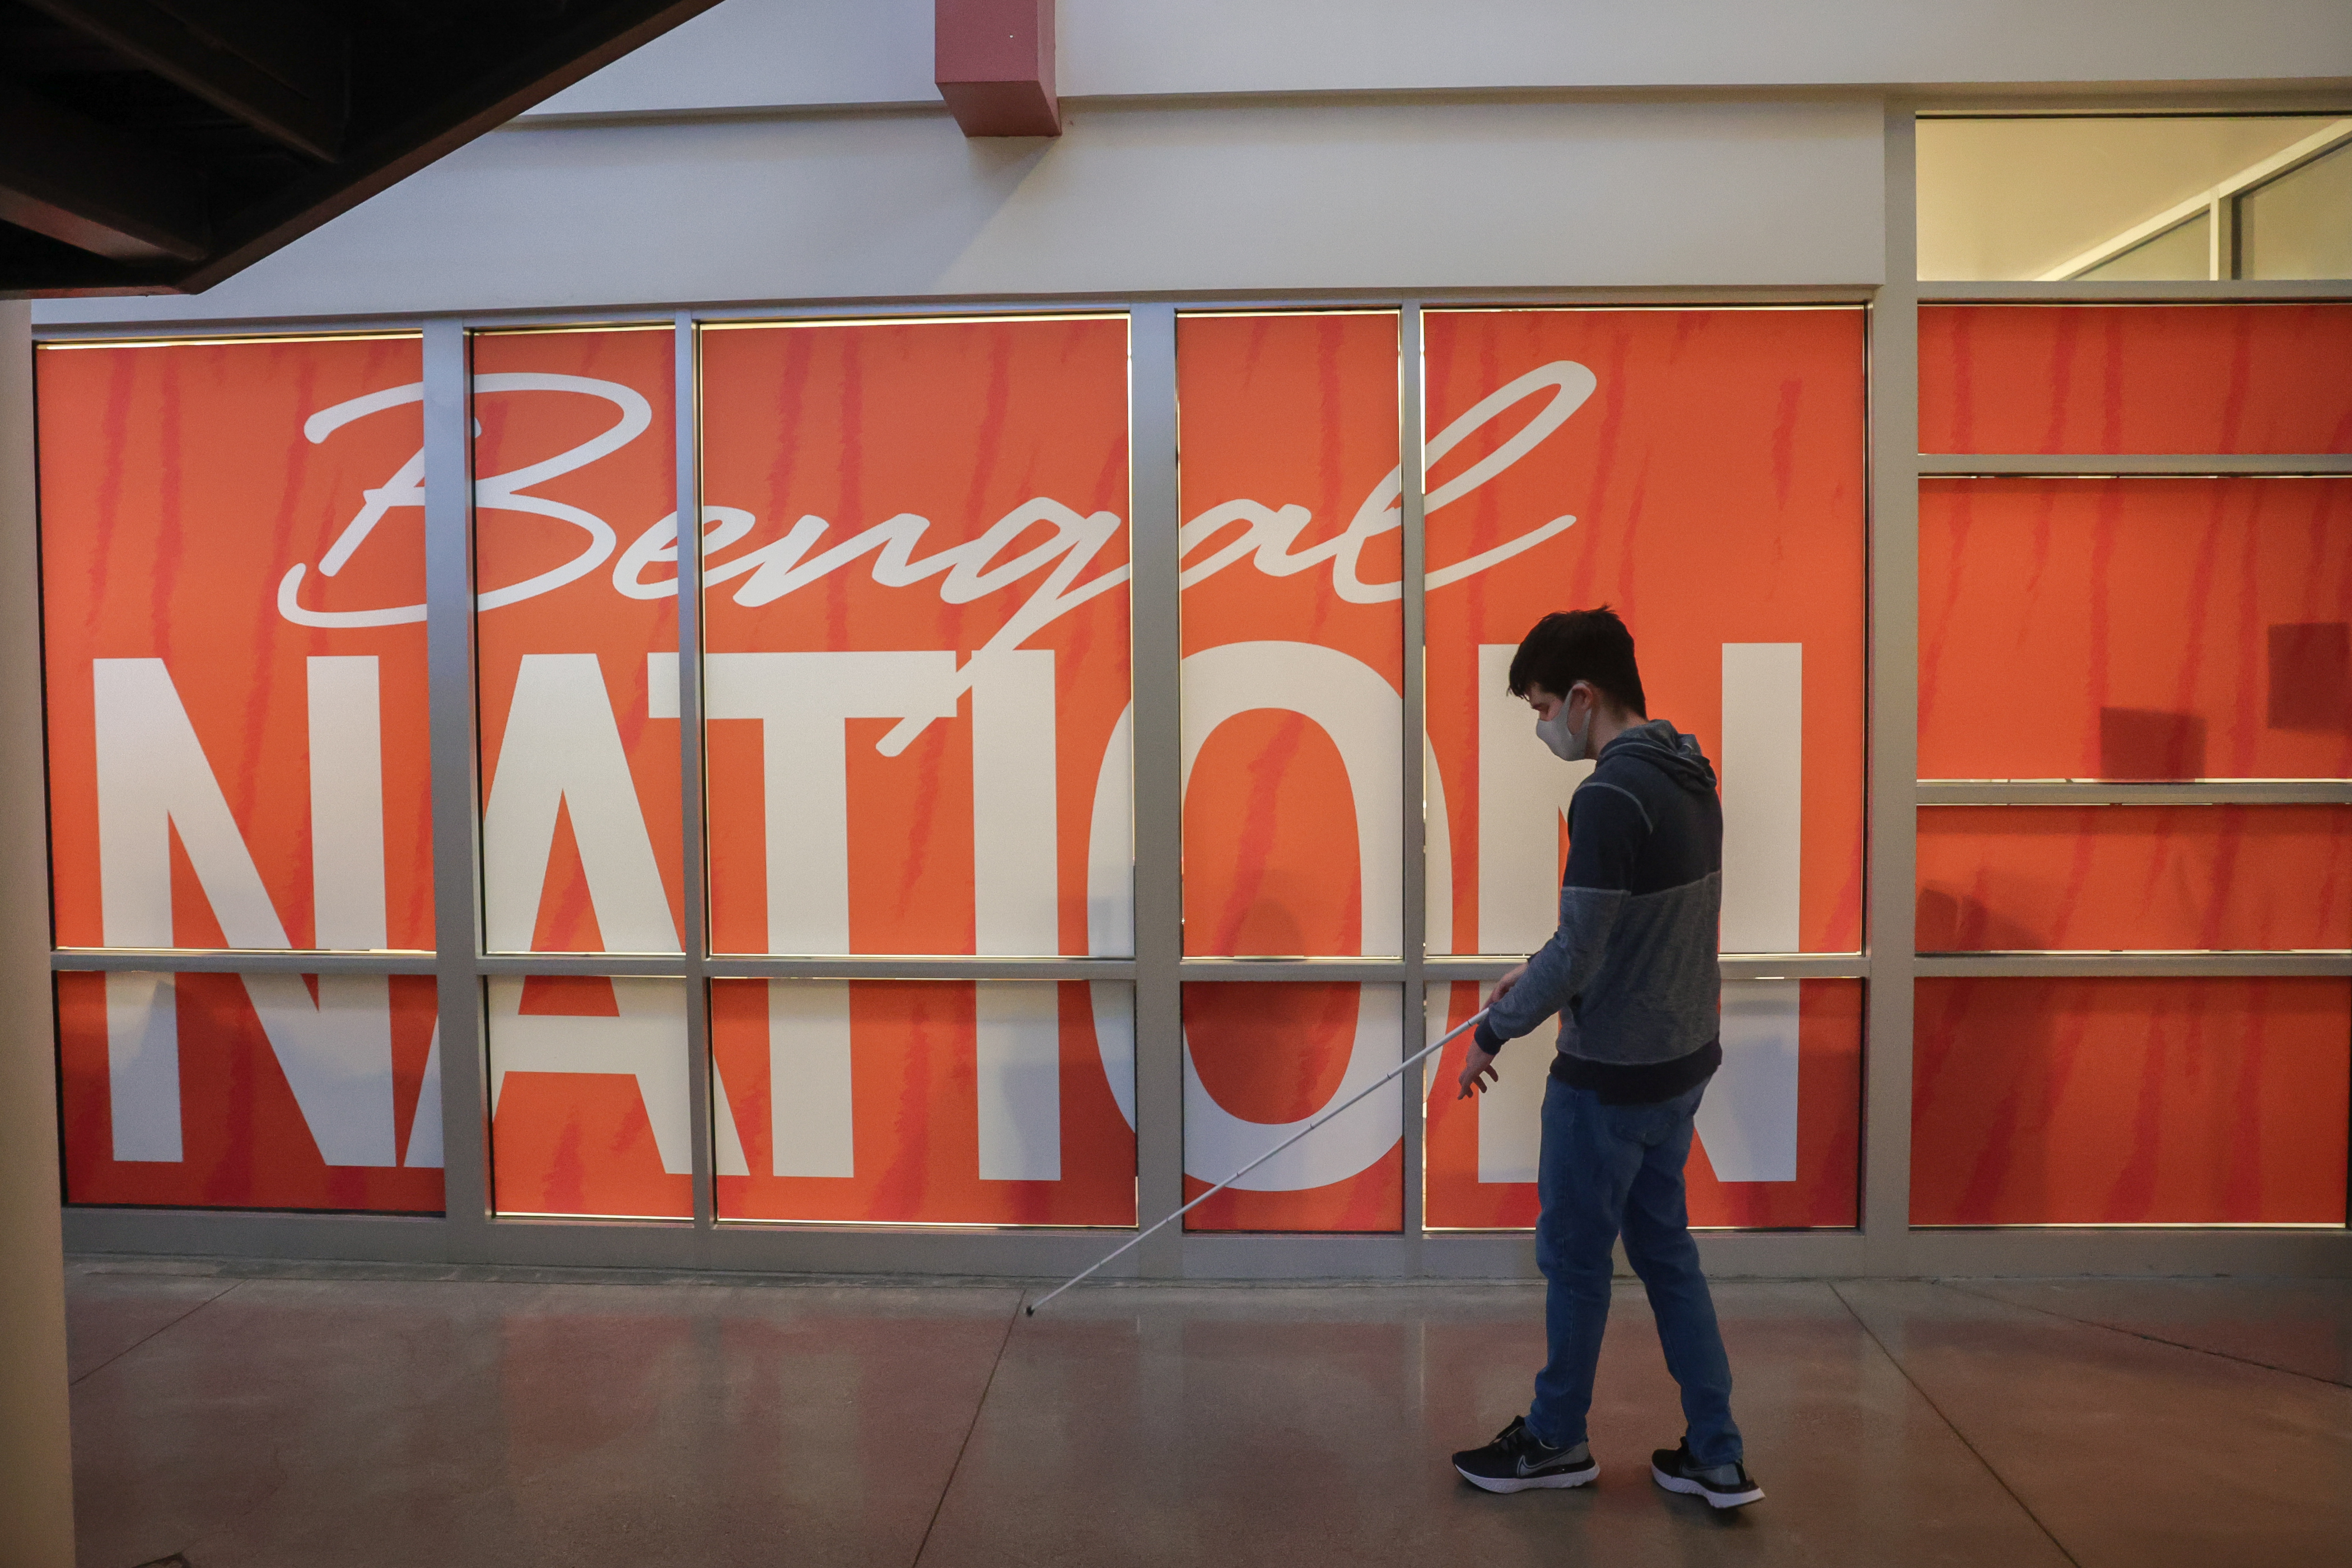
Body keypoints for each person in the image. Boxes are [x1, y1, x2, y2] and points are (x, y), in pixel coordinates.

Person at [1448, 606, 1763, 1510]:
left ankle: (1554, 1441)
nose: (1543, 725)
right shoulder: (1688, 773)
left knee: (1577, 1262)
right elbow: (1624, 928)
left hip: (1609, 1082)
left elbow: (1582, 952)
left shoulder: (1608, 795)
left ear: (1583, 698)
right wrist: (1540, 971)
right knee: (1668, 1256)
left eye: (1544, 706)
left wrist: (1490, 1034)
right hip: (1679, 1069)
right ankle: (1716, 1453)